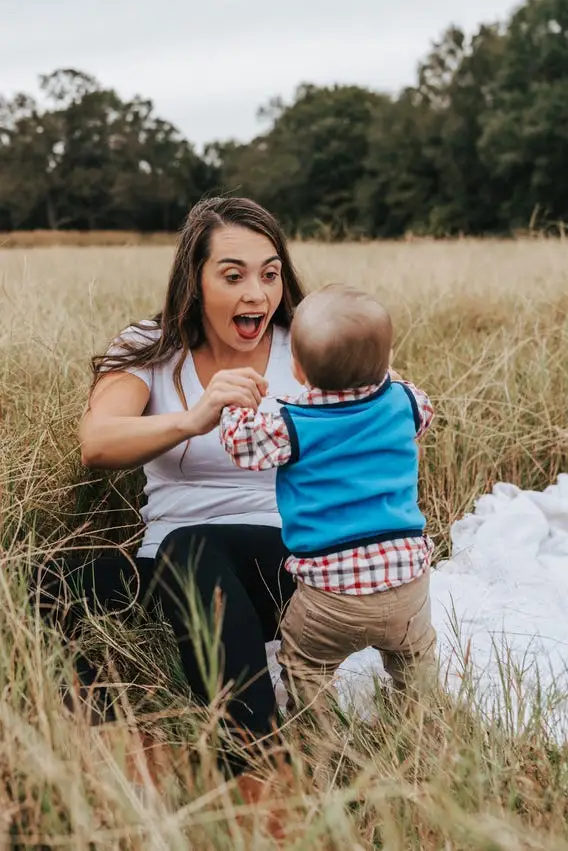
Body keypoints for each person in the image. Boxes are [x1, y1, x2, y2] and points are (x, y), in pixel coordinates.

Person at [38, 196, 306, 777]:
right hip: (169, 573)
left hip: (285, 562)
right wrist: (191, 419)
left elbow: (381, 418)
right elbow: (99, 441)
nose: (256, 295)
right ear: (195, 279)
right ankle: (118, 754)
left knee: (195, 547)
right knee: (46, 584)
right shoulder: (149, 347)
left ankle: (259, 769)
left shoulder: (306, 345)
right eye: (232, 276)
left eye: (269, 274)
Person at [220, 284, 437, 712]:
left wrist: (236, 407)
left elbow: (242, 446)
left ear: (298, 371)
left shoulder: (294, 422)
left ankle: (321, 743)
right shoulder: (405, 401)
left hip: (331, 594)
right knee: (416, 661)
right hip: (409, 582)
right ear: (387, 362)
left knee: (305, 664)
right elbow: (423, 409)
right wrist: (387, 378)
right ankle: (423, 725)